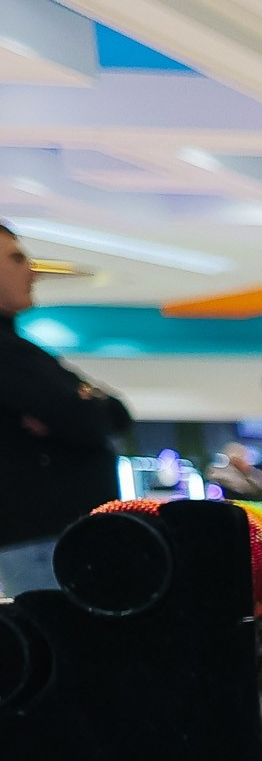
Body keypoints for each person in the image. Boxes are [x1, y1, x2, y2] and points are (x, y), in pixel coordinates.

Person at [0, 222, 131, 546]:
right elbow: (86, 419)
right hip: (41, 541)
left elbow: (115, 412)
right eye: (16, 260)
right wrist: (84, 402)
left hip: (57, 537)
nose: (32, 272)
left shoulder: (22, 352)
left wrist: (84, 404)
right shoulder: (9, 354)